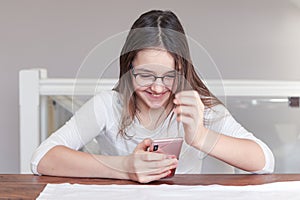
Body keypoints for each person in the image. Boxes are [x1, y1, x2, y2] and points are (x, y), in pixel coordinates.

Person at [31, 10, 274, 183]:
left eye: (169, 76)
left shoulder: (197, 108)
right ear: (128, 69)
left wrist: (200, 136)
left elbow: (264, 161)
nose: (157, 88)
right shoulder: (108, 105)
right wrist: (125, 167)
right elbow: (42, 159)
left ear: (183, 71)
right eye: (145, 75)